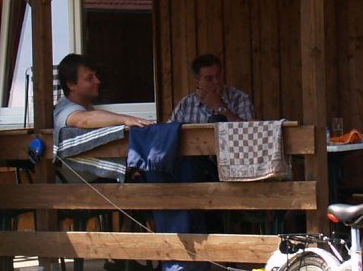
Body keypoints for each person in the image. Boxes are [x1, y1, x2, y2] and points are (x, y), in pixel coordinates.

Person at [54, 53, 149, 181]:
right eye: (89, 78)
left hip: (96, 185)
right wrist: (126, 120)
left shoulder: (86, 107)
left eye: (96, 76)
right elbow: (84, 120)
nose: (97, 81)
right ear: (71, 84)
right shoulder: (65, 110)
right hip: (77, 192)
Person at [170, 54, 253, 124]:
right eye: (209, 79)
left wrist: (219, 106)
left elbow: (249, 133)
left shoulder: (240, 98)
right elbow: (168, 134)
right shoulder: (185, 104)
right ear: (198, 81)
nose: (216, 81)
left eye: (218, 75)